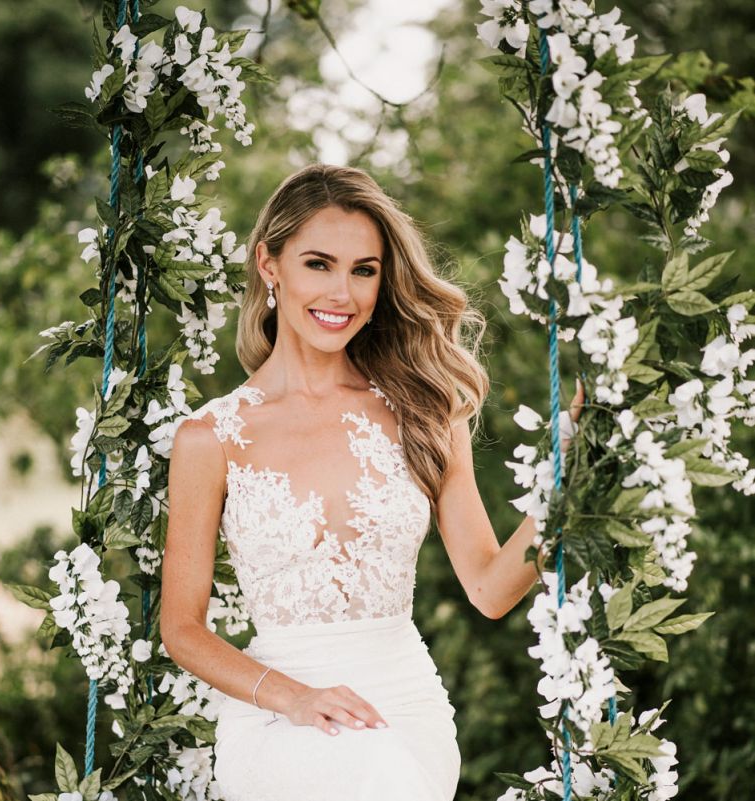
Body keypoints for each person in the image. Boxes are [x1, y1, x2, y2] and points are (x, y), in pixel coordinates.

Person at [160, 163, 585, 801]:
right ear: (269, 265)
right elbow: (182, 628)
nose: (343, 294)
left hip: (404, 706)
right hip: (277, 713)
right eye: (318, 264)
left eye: (364, 271)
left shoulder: (425, 411)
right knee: (369, 773)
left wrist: (570, 472)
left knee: (386, 768)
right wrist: (297, 699)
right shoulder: (210, 438)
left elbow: (492, 589)